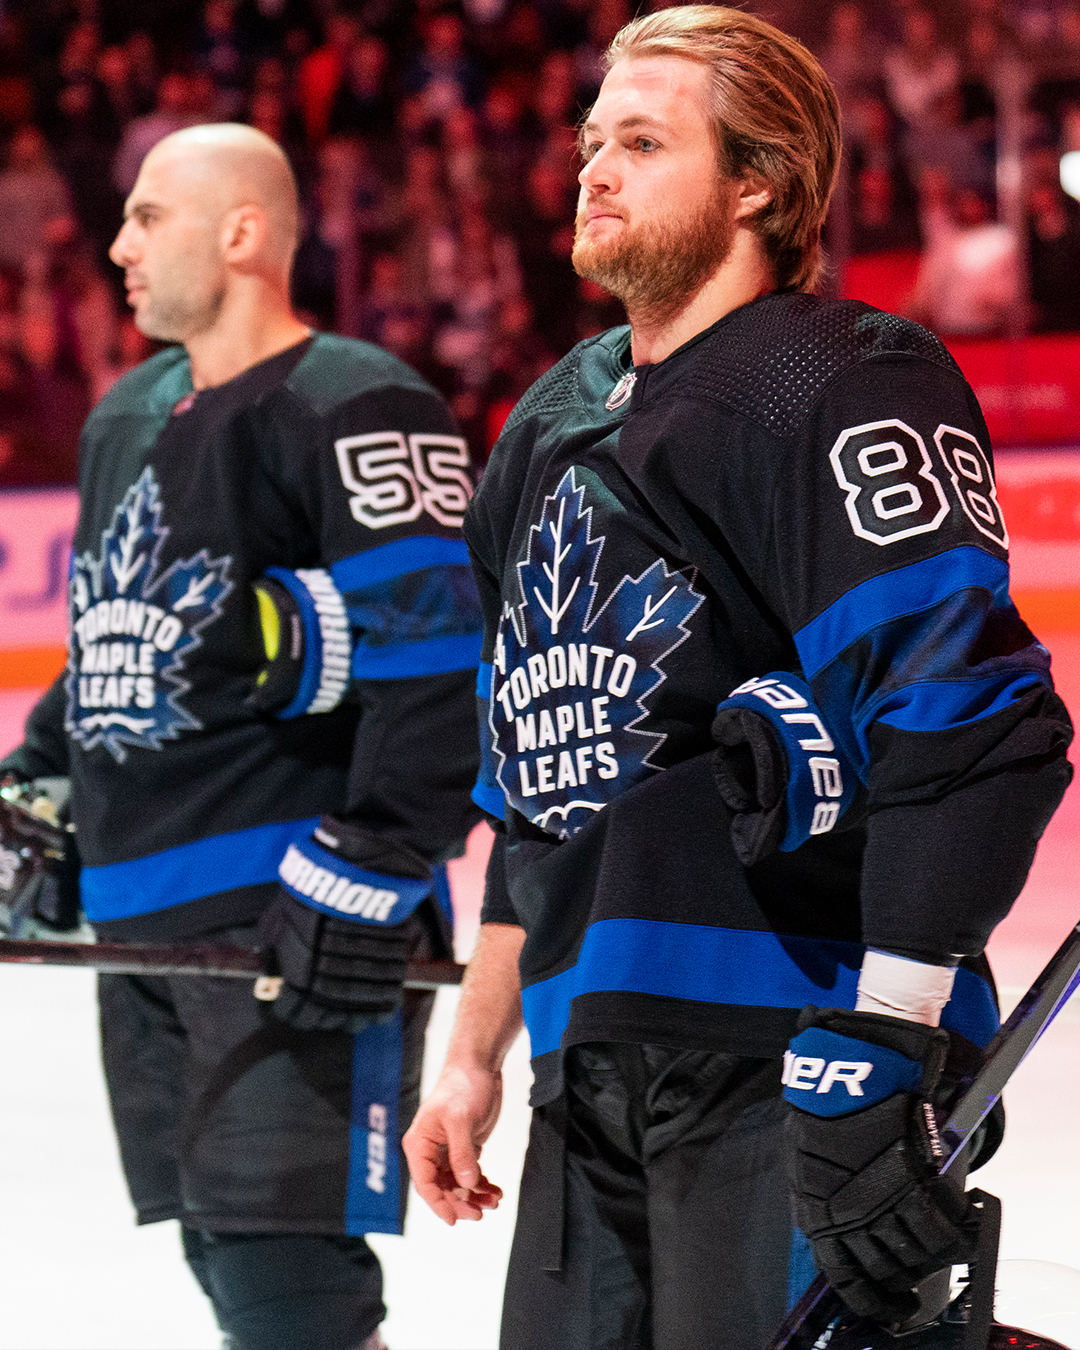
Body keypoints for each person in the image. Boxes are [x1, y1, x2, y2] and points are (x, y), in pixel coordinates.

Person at [402, 9, 1074, 1350]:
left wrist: (885, 1035)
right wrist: (475, 1046)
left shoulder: (839, 379)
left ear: (759, 178)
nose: (593, 168)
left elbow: (975, 719)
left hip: (783, 1054)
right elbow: (538, 783)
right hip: (582, 1062)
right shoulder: (543, 423)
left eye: (643, 143)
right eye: (594, 140)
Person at [1, 123, 483, 1350]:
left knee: (291, 1292)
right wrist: (33, 777)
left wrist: (374, 860)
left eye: (147, 216)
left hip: (291, 922)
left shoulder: (357, 400)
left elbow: (447, 668)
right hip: (144, 926)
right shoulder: (125, 415)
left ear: (244, 233)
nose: (117, 246)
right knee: (227, 1256)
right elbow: (119, 629)